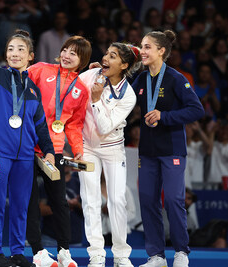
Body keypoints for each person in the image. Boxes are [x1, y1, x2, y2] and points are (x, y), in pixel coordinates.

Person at [0, 30, 55, 267]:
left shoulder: (34, 90)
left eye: (20, 49)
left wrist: (48, 149)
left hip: (25, 157)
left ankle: (18, 252)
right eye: (10, 49)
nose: (14, 53)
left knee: (21, 206)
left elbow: (40, 126)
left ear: (30, 56)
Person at [132, 30, 204, 267]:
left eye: (147, 47)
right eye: (141, 47)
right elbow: (123, 101)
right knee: (148, 201)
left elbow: (197, 110)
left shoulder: (175, 78)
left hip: (172, 149)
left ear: (161, 51)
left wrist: (165, 116)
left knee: (173, 200)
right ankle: (156, 256)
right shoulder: (141, 80)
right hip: (147, 151)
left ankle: (181, 251)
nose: (142, 51)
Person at [26, 36, 91, 267]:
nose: (66, 55)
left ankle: (64, 251)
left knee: (59, 201)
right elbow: (17, 81)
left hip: (54, 150)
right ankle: (38, 251)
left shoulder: (81, 89)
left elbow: (74, 125)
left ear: (82, 60)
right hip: (27, 146)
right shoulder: (41, 69)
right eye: (65, 50)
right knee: (30, 199)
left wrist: (79, 150)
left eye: (73, 53)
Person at [78, 42, 141, 267]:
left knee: (117, 200)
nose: (105, 58)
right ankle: (96, 253)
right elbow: (71, 93)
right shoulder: (91, 75)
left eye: (113, 56)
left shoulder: (129, 96)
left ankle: (121, 256)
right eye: (106, 53)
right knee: (90, 199)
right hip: (86, 147)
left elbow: (104, 128)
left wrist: (95, 101)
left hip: (113, 149)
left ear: (124, 65)